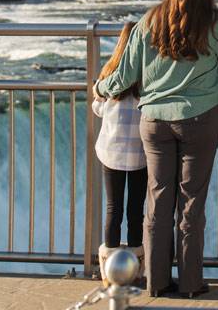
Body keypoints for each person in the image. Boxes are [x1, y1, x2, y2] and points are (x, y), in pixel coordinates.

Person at [95, 0, 218, 299]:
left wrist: (101, 88)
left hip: (154, 121)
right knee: (191, 202)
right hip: (199, 120)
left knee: (158, 200)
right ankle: (190, 283)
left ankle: (156, 282)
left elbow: (125, 74)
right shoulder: (214, 23)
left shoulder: (149, 21)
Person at [93, 21, 146, 285]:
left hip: (111, 151)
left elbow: (98, 108)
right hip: (140, 154)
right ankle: (136, 268)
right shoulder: (146, 74)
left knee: (113, 208)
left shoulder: (109, 72)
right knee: (135, 209)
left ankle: (109, 270)